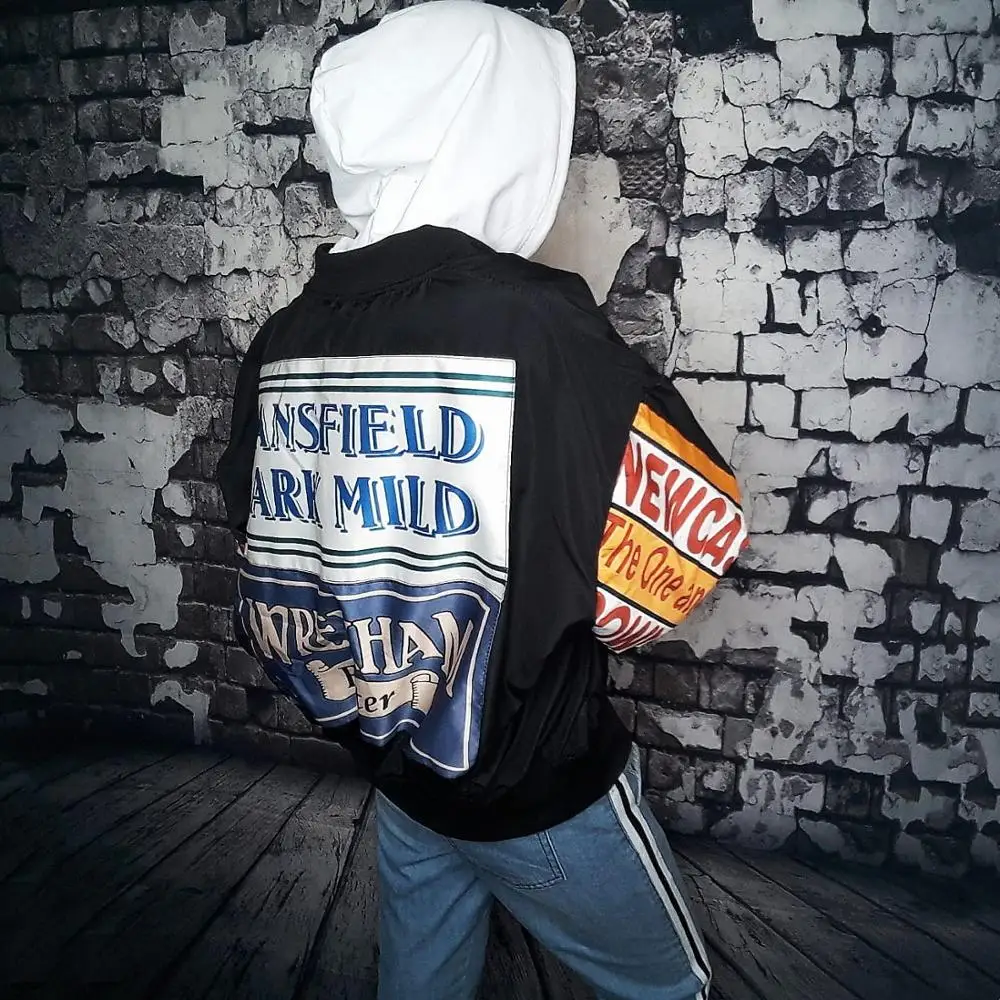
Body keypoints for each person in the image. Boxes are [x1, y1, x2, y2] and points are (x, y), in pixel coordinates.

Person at [217, 3, 748, 998]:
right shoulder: (537, 325)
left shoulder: (284, 339)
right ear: (497, 130)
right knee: (675, 988)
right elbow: (682, 547)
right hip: (537, 785)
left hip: (395, 763)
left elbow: (260, 547)